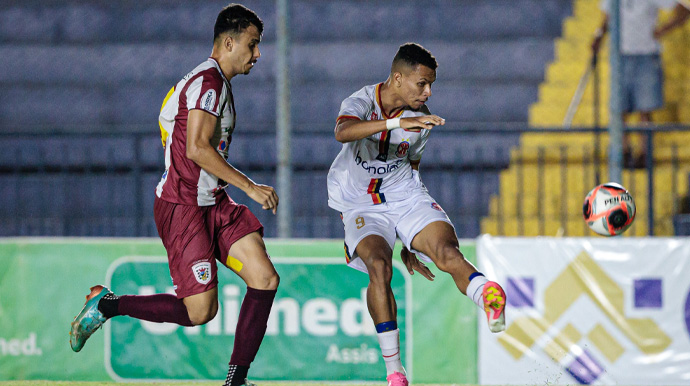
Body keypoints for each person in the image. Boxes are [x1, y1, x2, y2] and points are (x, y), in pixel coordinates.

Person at [69, 4, 279, 386]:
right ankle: (108, 305)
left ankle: (236, 380)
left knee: (264, 278)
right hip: (184, 207)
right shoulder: (209, 82)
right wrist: (250, 186)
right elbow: (197, 148)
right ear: (228, 42)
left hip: (212, 202)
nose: (258, 54)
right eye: (253, 44)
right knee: (200, 312)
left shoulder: (211, 81)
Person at [327, 42, 507, 386]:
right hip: (360, 204)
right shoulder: (361, 101)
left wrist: (409, 241)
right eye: (421, 84)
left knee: (445, 252)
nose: (428, 92)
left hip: (406, 195)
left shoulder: (420, 122)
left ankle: (487, 294)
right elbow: (342, 132)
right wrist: (395, 122)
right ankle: (395, 371)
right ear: (397, 79)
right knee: (378, 267)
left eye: (431, 85)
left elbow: (412, 165)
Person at [591, 0, 690, 167]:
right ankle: (623, 150)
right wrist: (599, 35)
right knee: (619, 107)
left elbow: (683, 10)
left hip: (646, 55)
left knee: (645, 108)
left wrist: (662, 30)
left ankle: (644, 152)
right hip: (619, 55)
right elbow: (608, 16)